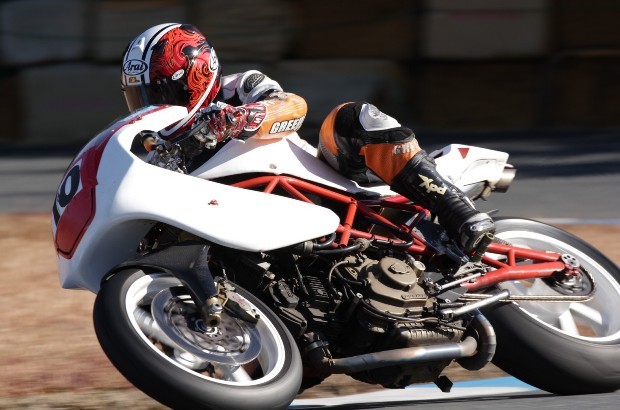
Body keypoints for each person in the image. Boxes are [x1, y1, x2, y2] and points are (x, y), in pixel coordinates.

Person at [120, 23, 494, 254]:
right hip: (249, 227)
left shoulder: (239, 87)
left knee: (349, 119)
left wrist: (235, 120)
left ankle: (458, 212)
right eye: (139, 97)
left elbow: (292, 106)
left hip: (326, 182)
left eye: (157, 93)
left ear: (194, 75)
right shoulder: (158, 146)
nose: (150, 106)